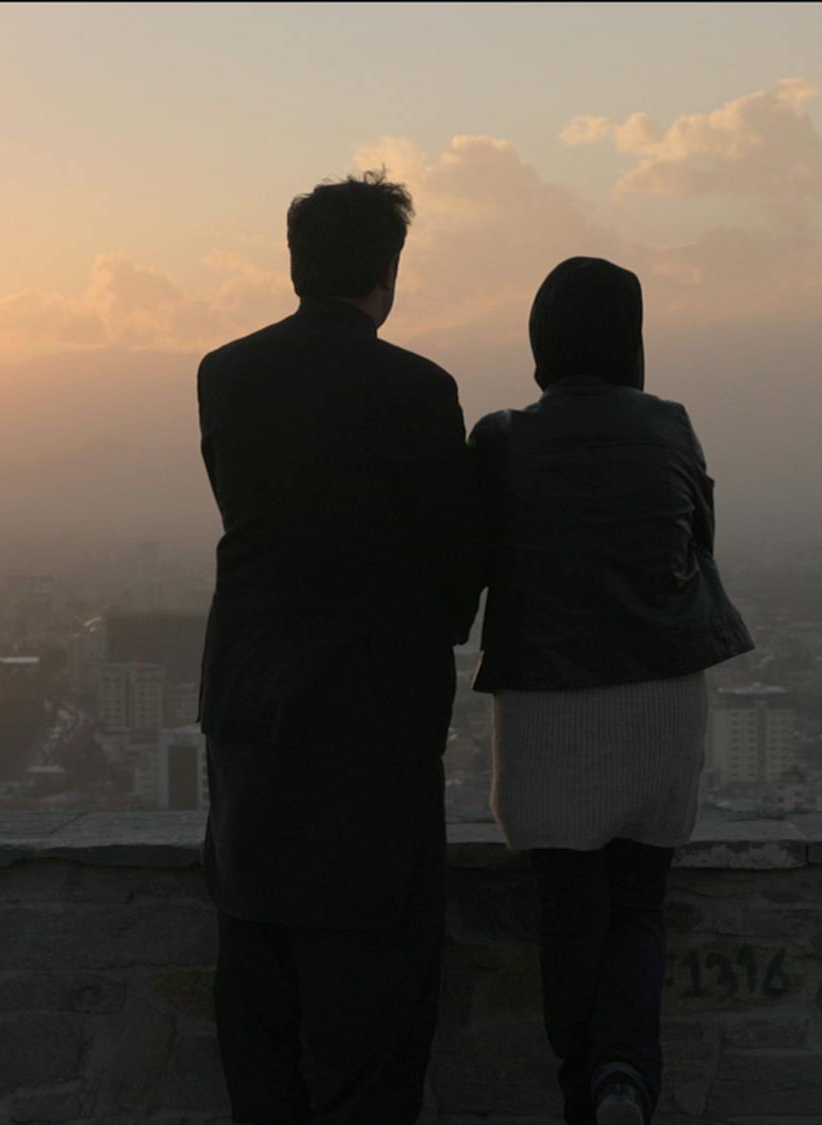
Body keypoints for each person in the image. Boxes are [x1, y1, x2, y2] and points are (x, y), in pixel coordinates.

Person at [195, 171, 485, 1124]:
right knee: (372, 1041)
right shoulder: (417, 390)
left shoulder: (224, 375)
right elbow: (456, 564)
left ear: (293, 264)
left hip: (252, 732)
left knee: (261, 1026)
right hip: (371, 746)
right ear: (388, 270)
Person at [468, 257, 754, 1125]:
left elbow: (474, 558)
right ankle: (623, 1076)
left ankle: (584, 1089)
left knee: (570, 902)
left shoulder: (501, 438)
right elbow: (698, 539)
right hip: (661, 696)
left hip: (552, 706)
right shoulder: (669, 427)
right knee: (639, 900)